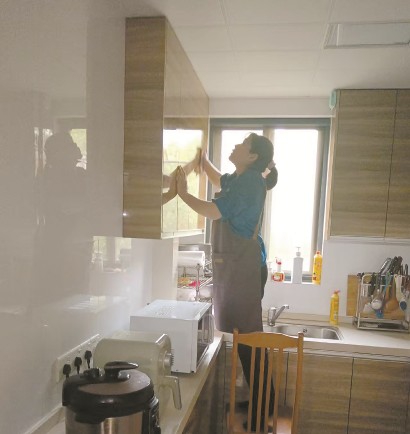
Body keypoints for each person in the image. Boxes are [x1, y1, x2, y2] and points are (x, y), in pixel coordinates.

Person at [176, 133, 278, 430]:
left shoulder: (250, 183)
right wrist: (203, 162)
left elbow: (213, 211)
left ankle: (262, 409)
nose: (236, 145)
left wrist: (182, 193)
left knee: (250, 342)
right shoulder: (240, 178)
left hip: (245, 270)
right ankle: (263, 400)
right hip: (241, 268)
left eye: (243, 144)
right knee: (246, 341)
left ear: (253, 156)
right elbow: (220, 180)